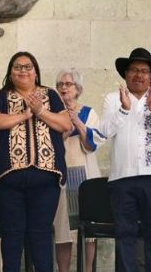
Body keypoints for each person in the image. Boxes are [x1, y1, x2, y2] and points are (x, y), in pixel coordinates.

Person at [0, 52, 71, 272]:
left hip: (45, 177)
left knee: (41, 235)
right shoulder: (2, 96)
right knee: (12, 235)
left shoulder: (50, 95)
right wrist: (23, 116)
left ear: (36, 72)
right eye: (17, 67)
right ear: (10, 73)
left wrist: (40, 111)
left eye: (27, 66)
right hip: (9, 178)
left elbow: (65, 124)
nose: (23, 70)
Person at [99, 48, 151, 272]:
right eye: (134, 70)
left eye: (144, 71)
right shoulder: (113, 99)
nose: (139, 75)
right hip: (122, 178)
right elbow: (103, 132)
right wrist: (123, 110)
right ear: (126, 74)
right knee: (125, 235)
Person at [53, 69, 103, 272]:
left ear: (78, 89)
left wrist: (78, 122)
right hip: (62, 174)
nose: (64, 88)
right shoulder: (53, 114)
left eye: (68, 84)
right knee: (63, 228)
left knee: (88, 230)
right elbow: (53, 142)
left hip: (85, 173)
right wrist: (64, 124)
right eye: (60, 85)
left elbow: (92, 144)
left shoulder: (89, 112)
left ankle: (88, 269)